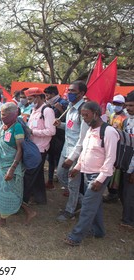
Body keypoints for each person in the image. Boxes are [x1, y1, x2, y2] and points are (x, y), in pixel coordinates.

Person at [64, 101, 119, 246]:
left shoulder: (108, 132)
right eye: (82, 116)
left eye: (86, 115)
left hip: (99, 176)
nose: (84, 119)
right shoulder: (90, 130)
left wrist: (100, 179)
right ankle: (98, 231)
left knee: (87, 205)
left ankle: (76, 236)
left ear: (96, 114)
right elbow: (85, 151)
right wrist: (77, 167)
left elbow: (110, 158)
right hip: (86, 173)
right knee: (95, 204)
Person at [0, 103, 36, 227]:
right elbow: (1, 145)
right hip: (2, 165)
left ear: (13, 114)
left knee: (9, 192)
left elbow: (20, 149)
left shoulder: (17, 128)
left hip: (11, 167)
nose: (2, 116)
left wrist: (12, 169)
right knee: (7, 192)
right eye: (1, 114)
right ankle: (29, 212)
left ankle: (2, 220)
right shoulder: (4, 127)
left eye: (4, 114)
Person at [55, 81, 88, 222]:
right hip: (65, 148)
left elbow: (83, 137)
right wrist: (60, 124)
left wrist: (73, 157)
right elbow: (70, 129)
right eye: (69, 90)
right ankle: (83, 200)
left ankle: (70, 210)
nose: (69, 93)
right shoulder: (70, 107)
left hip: (76, 152)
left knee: (73, 181)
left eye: (73, 91)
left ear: (81, 93)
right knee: (61, 175)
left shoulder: (84, 111)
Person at [23, 87, 56, 205]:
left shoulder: (47, 111)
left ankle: (24, 200)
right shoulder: (34, 109)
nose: (29, 101)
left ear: (38, 97)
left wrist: (33, 132)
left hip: (40, 148)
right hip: (32, 146)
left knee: (30, 174)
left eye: (30, 98)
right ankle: (39, 198)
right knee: (37, 175)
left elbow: (51, 131)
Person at [44, 85, 69, 189]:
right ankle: (50, 180)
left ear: (53, 94)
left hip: (60, 136)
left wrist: (60, 109)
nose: (46, 97)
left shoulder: (63, 103)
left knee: (59, 159)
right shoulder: (48, 105)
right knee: (50, 158)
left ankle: (63, 181)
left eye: (48, 95)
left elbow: (68, 121)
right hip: (51, 136)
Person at [103, 94, 127, 203]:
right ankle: (111, 192)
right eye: (115, 103)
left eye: (118, 104)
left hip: (120, 148)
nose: (116, 106)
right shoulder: (112, 115)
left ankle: (114, 194)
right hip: (111, 146)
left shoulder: (125, 118)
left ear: (123, 105)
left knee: (116, 171)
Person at [120, 90, 134, 231]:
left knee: (130, 194)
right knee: (124, 192)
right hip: (126, 162)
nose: (128, 108)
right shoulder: (126, 121)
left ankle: (128, 221)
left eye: (131, 105)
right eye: (127, 105)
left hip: (133, 166)